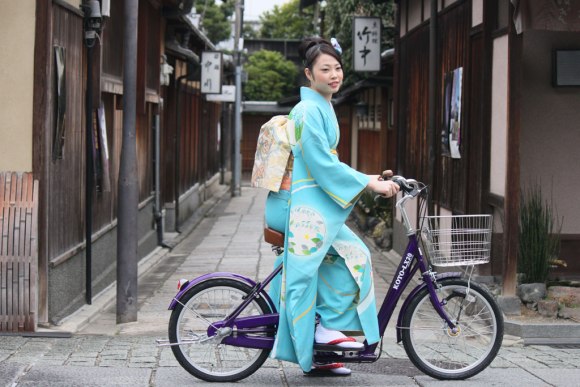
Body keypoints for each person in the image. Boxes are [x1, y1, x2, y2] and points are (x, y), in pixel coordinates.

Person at [263, 37, 400, 376]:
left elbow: (324, 165)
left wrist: (367, 177)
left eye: (337, 68)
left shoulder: (321, 106)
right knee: (353, 257)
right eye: (325, 69)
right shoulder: (308, 110)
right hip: (296, 205)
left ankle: (322, 351)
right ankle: (322, 327)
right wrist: (367, 182)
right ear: (309, 74)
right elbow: (322, 165)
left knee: (348, 258)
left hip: (307, 201)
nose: (334, 74)